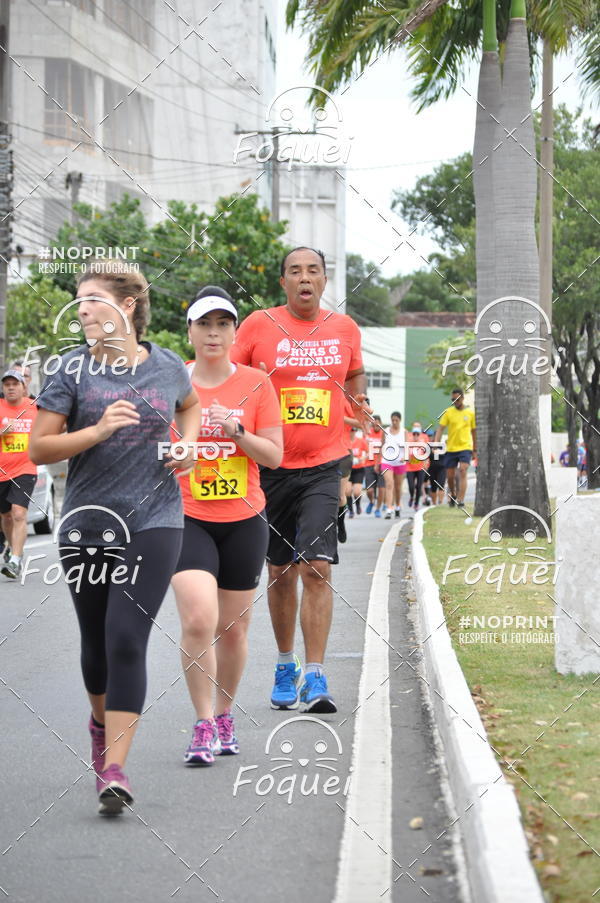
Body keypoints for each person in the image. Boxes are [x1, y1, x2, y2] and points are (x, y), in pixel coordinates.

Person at [30, 262, 201, 816]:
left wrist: (189, 446)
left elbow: (191, 405)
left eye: (94, 300)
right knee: (96, 646)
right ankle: (100, 730)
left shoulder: (168, 366)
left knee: (127, 638)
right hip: (88, 522)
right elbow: (39, 449)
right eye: (79, 301)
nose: (82, 310)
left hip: (156, 520)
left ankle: (116, 769)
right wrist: (98, 431)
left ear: (126, 307)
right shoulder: (70, 372)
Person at [231, 246, 368, 713]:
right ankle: (285, 664)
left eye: (313, 271)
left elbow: (354, 377)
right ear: (283, 282)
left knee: (317, 567)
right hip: (269, 467)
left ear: (325, 280)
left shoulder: (344, 328)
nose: (305, 278)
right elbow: (230, 377)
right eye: (295, 271)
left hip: (325, 465)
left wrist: (359, 407)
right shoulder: (256, 326)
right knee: (279, 572)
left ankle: (316, 675)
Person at [171, 286, 283, 766]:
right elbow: (152, 449)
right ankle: (200, 724)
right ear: (190, 331)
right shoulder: (171, 381)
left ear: (235, 332)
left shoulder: (257, 383)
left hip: (243, 518)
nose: (213, 333)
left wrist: (237, 432)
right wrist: (179, 454)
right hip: (185, 516)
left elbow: (275, 457)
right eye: (204, 324)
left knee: (234, 630)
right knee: (199, 618)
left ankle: (223, 714)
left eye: (223, 325)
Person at [0, 370, 38, 578]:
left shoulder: (35, 408)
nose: (11, 387)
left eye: (15, 384)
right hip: (2, 471)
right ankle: (10, 546)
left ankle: (15, 560)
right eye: (7, 384)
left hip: (25, 469)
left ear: (24, 387)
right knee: (5, 517)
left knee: (18, 513)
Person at [434, 388, 476, 507]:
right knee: (450, 476)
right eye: (452, 400)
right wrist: (436, 443)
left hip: (465, 447)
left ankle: (461, 500)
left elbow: (474, 432)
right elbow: (440, 428)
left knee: (463, 470)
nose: (455, 402)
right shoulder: (448, 412)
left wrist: (475, 450)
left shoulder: (470, 413)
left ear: (462, 398)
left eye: (457, 399)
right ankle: (452, 494)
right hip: (451, 448)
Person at [379, 411, 406, 519]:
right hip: (387, 461)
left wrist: (405, 457)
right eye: (393, 420)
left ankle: (398, 505)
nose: (394, 422)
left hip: (400, 462)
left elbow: (407, 446)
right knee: (389, 484)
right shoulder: (385, 431)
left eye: (396, 420)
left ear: (400, 420)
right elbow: (381, 446)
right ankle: (389, 508)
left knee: (398, 487)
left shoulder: (404, 432)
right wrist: (378, 461)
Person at [364, 414, 385, 517]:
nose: (376, 424)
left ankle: (378, 509)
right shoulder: (368, 433)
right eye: (374, 422)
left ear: (380, 423)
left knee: (381, 489)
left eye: (378, 422)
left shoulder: (384, 434)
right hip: (369, 464)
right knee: (370, 490)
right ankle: (372, 501)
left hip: (382, 464)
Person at [405, 422, 429, 511]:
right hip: (409, 467)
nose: (416, 428)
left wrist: (426, 461)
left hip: (420, 466)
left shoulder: (424, 437)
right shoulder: (408, 436)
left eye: (418, 427)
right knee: (411, 486)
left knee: (419, 486)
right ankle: (412, 496)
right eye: (415, 426)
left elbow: (427, 450)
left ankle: (416, 504)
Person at [346, 426, 368, 517]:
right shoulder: (345, 441)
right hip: (348, 469)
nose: (353, 432)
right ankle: (351, 510)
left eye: (354, 430)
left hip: (359, 468)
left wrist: (362, 458)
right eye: (351, 430)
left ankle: (358, 505)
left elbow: (367, 452)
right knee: (347, 491)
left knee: (357, 492)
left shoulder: (360, 441)